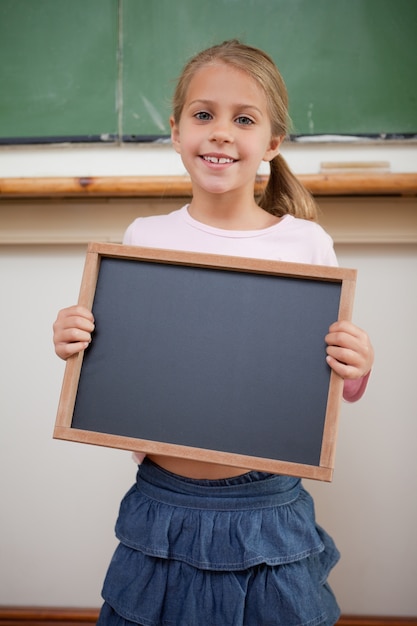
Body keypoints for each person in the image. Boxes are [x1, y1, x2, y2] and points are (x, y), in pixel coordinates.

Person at [53, 40, 374, 626]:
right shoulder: (144, 238)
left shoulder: (305, 244)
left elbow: (329, 386)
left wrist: (358, 368)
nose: (221, 133)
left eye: (243, 119)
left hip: (265, 507)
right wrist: (75, 341)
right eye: (204, 115)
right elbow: (122, 366)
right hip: (162, 501)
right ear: (176, 131)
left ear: (272, 144)